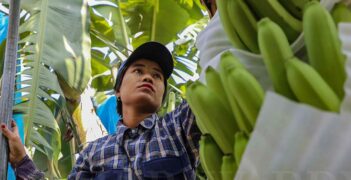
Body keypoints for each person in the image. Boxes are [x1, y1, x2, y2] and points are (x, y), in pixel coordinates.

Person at [1, 41, 201, 179]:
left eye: (157, 76)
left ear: (163, 95)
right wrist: (21, 160)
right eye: (138, 71)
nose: (148, 77)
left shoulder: (177, 128)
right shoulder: (94, 152)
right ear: (118, 92)